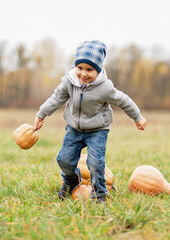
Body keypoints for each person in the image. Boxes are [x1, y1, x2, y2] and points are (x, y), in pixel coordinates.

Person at [34, 40, 147, 203]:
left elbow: (124, 101)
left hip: (97, 130)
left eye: (90, 70)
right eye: (80, 68)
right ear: (75, 67)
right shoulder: (69, 82)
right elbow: (57, 98)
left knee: (95, 162)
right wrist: (41, 114)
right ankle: (71, 180)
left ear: (98, 70)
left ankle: (100, 192)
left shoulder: (105, 88)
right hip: (74, 129)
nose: (84, 74)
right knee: (63, 159)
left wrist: (138, 117)